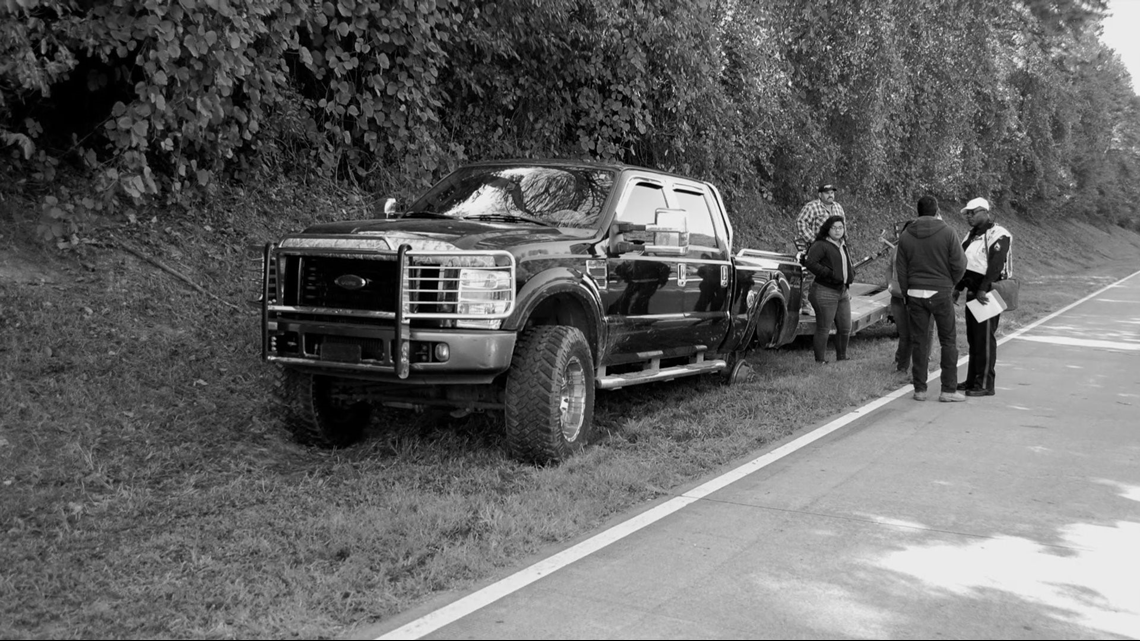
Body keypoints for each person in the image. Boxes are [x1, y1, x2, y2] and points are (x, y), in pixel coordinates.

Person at [896, 195, 967, 402]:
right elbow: (960, 263)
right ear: (937, 211)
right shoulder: (947, 232)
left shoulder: (907, 235)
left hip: (915, 293)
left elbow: (901, 269)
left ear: (917, 212)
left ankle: (920, 389)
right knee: (948, 341)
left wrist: (907, 291)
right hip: (940, 292)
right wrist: (950, 283)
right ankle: (948, 390)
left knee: (919, 341)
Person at [954, 197, 1012, 397]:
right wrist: (958, 287)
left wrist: (983, 289)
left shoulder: (998, 233)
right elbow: (964, 263)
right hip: (972, 291)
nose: (968, 216)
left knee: (985, 339)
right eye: (967, 214)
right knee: (974, 338)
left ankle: (986, 383)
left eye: (972, 212)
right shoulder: (971, 235)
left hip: (987, 293)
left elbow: (996, 265)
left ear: (984, 211)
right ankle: (973, 380)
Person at [803, 215, 854, 363]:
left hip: (842, 291)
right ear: (828, 229)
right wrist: (828, 273)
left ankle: (842, 357)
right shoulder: (821, 244)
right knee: (824, 327)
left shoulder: (843, 244)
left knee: (845, 327)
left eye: (841, 228)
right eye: (834, 228)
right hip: (825, 290)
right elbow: (810, 263)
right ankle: (820, 360)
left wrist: (850, 278)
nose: (838, 231)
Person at [795, 183, 846, 316]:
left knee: (836, 272)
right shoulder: (812, 207)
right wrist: (813, 240)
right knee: (811, 274)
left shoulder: (838, 207)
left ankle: (837, 297)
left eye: (832, 192)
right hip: (819, 247)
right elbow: (801, 222)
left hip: (835, 247)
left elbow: (843, 225)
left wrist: (843, 242)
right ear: (820, 194)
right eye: (827, 192)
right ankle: (805, 304)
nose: (830, 195)